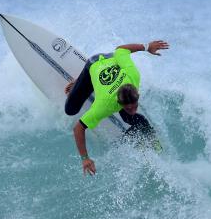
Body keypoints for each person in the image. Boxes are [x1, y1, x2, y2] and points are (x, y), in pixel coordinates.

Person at [64, 40, 169, 175]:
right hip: (94, 64)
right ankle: (79, 82)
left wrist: (147, 47)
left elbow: (121, 50)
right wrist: (85, 158)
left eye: (134, 106)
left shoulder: (133, 76)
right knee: (71, 109)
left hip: (110, 58)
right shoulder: (104, 104)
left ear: (137, 94)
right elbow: (78, 128)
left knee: (136, 119)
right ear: (119, 102)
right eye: (128, 107)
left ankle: (153, 140)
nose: (133, 109)